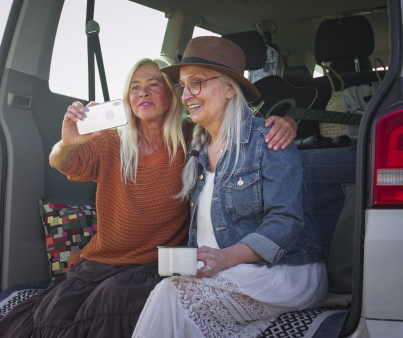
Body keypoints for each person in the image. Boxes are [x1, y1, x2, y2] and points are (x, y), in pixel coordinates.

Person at [0, 55, 297, 338]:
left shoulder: (193, 138)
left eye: (153, 85)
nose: (143, 93)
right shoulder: (111, 141)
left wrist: (286, 123)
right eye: (135, 87)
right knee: (50, 315)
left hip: (156, 265)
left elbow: (234, 130)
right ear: (127, 98)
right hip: (100, 263)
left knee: (109, 304)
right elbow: (61, 162)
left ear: (172, 94)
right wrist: (67, 141)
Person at [132, 36, 328, 338]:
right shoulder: (194, 147)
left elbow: (286, 222)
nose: (185, 95)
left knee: (170, 295)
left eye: (196, 82)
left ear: (228, 88)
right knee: (165, 292)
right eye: (182, 86)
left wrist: (224, 258)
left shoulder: (270, 139)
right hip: (223, 272)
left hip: (284, 272)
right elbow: (146, 129)